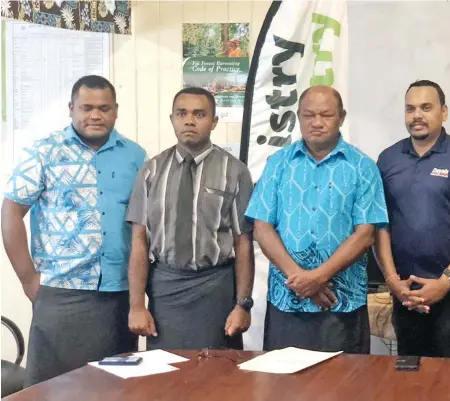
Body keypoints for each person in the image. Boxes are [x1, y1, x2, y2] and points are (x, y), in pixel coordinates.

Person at [1, 75, 146, 386]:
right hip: (61, 293)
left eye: (104, 108)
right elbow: (11, 212)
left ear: (116, 111)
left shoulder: (135, 156)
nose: (95, 115)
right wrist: (28, 279)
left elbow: (143, 227)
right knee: (53, 389)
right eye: (87, 107)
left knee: (113, 386)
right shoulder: (44, 152)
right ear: (71, 109)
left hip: (117, 295)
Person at [245, 86, 388, 353]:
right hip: (288, 299)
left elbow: (365, 234)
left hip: (340, 301)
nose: (317, 122)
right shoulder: (278, 163)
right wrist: (301, 279)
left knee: (343, 386)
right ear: (298, 117)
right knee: (285, 387)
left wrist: (319, 277)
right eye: (308, 115)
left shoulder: (362, 166)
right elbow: (262, 227)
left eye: (326, 115)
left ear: (342, 117)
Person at [126, 87, 254, 350]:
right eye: (182, 113)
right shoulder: (151, 171)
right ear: (172, 118)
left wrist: (243, 305)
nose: (189, 120)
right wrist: (137, 305)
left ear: (214, 121)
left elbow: (243, 243)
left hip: (215, 289)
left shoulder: (235, 172)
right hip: (165, 289)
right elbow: (139, 241)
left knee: (217, 378)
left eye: (199, 114)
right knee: (165, 376)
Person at [374, 80, 450, 358]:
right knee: (410, 375)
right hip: (406, 293)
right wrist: (392, 281)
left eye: (426, 107)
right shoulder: (388, 159)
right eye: (410, 109)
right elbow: (380, 226)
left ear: (444, 112)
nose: (417, 115)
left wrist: (446, 280)